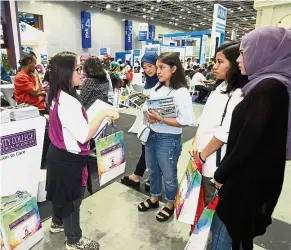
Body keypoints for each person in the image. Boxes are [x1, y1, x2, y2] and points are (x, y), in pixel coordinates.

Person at [210, 26, 291, 250]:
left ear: (266, 53)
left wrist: (221, 173)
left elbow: (248, 141)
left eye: (245, 52)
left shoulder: (268, 87)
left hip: (244, 183)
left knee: (224, 237)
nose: (239, 59)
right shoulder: (270, 84)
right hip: (253, 180)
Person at [46, 51, 120, 250]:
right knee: (72, 200)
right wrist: (104, 112)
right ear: (64, 73)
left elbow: (74, 125)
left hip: (58, 154)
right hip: (69, 159)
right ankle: (74, 240)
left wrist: (98, 118)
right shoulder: (68, 101)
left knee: (60, 193)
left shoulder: (58, 93)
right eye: (78, 69)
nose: (82, 74)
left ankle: (57, 223)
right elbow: (84, 135)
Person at [138, 52, 195, 222]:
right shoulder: (158, 88)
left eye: (162, 67)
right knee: (153, 170)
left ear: (174, 68)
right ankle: (154, 198)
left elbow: (184, 121)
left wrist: (160, 118)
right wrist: (148, 115)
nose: (158, 71)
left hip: (168, 139)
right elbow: (150, 109)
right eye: (158, 67)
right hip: (152, 135)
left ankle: (170, 203)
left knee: (169, 175)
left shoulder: (181, 92)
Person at [190, 42, 248, 207]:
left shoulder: (238, 95)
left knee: (213, 206)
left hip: (215, 162)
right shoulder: (220, 88)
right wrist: (196, 143)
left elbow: (225, 132)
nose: (214, 67)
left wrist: (202, 155)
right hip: (202, 156)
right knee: (202, 203)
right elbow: (204, 120)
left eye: (220, 62)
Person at [121, 52, 159, 190]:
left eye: (150, 66)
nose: (148, 69)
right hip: (147, 122)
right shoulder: (149, 82)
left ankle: (142, 177)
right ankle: (145, 177)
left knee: (154, 150)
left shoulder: (163, 81)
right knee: (148, 149)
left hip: (159, 123)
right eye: (145, 67)